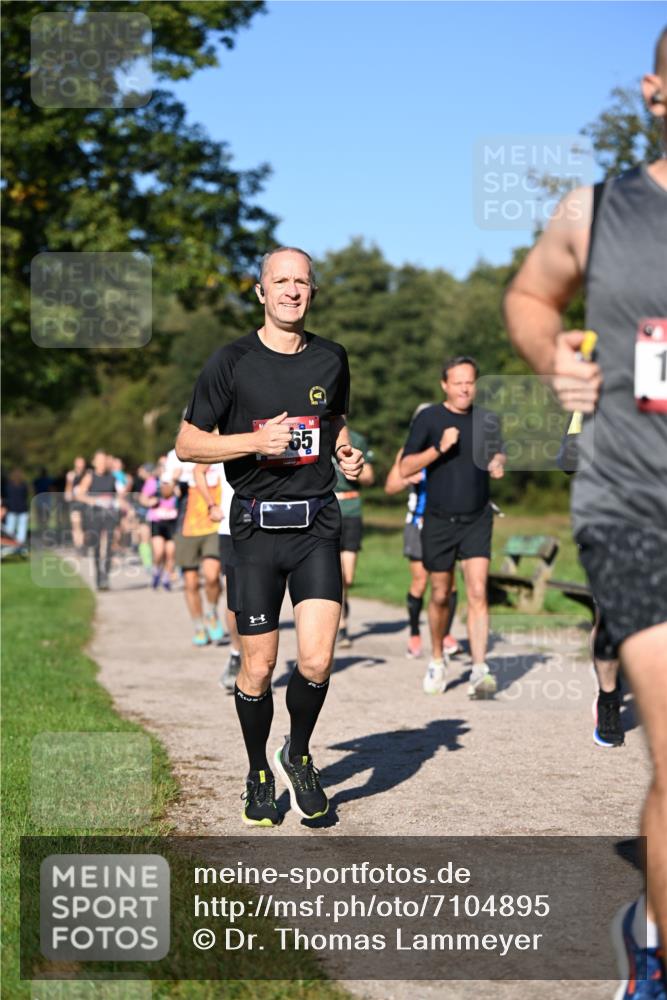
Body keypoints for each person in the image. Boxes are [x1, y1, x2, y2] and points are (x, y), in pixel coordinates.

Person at [504, 28, 667, 998]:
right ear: (655, 89)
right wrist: (549, 356)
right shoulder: (595, 211)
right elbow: (529, 294)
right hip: (635, 506)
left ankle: (645, 912)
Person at [175, 246, 363, 827]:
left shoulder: (332, 357)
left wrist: (347, 455)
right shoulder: (230, 362)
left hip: (316, 522)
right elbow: (188, 443)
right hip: (256, 526)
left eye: (301, 282)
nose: (291, 291)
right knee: (257, 668)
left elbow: (334, 421)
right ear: (260, 292)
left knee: (317, 659)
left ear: (312, 291)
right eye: (280, 281)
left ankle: (297, 753)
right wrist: (253, 444)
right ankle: (259, 769)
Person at [399, 358, 505, 697]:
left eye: (471, 382)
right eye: (458, 382)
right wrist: (438, 448)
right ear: (445, 384)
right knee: (441, 593)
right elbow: (405, 468)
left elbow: (498, 453)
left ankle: (479, 668)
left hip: (477, 518)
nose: (465, 388)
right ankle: (437, 660)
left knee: (477, 592)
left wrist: (499, 462)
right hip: (439, 520)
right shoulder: (429, 418)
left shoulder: (488, 419)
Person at [385, 430, 460, 660]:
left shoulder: (449, 449)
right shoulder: (408, 452)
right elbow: (390, 487)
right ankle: (415, 634)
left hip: (446, 523)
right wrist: (408, 478)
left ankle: (445, 634)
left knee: (450, 584)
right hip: (417, 523)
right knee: (420, 581)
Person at [161, 449, 224, 645]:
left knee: (213, 575)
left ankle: (212, 612)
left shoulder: (220, 447)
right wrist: (173, 480)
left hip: (215, 521)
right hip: (186, 524)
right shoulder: (175, 455)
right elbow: (164, 493)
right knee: (191, 582)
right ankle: (198, 626)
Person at [193, 462, 243, 690]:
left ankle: (257, 664)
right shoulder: (226, 434)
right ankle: (236, 654)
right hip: (231, 530)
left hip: (267, 526)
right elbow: (197, 470)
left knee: (263, 597)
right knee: (235, 598)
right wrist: (211, 504)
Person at [334, 428, 375, 648]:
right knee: (337, 573)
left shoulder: (358, 439)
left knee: (347, 577)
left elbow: (370, 477)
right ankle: (341, 625)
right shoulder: (318, 434)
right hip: (326, 509)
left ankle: (343, 602)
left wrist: (354, 466)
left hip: (351, 510)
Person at [77, 450, 122, 590]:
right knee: (96, 548)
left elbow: (119, 496)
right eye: (99, 461)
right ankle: (98, 576)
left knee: (108, 545)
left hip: (109, 515)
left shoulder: (112, 478)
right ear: (94, 462)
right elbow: (79, 495)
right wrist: (94, 501)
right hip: (94, 515)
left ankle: (105, 577)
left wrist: (118, 504)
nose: (102, 463)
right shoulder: (90, 477)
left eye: (104, 461)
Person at [140, 458, 177, 590]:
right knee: (159, 552)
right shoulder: (153, 483)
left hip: (172, 521)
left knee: (170, 553)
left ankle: (166, 577)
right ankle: (156, 571)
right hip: (157, 521)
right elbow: (143, 498)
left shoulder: (175, 483)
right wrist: (150, 502)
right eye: (161, 466)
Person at [64, 456, 87, 552]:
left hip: (86, 503)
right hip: (74, 504)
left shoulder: (88, 475)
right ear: (75, 464)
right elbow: (67, 492)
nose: (80, 465)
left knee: (84, 526)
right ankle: (79, 545)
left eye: (82, 463)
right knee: (76, 525)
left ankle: (83, 543)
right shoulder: (71, 475)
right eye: (79, 463)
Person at [4, 468, 30, 546]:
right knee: (21, 530)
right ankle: (19, 545)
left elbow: (6, 496)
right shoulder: (24, 485)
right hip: (22, 508)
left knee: (9, 530)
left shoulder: (8, 485)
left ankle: (8, 544)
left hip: (11, 508)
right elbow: (26, 496)